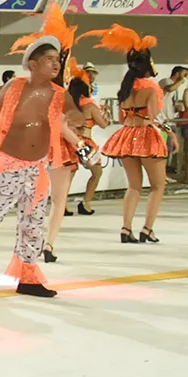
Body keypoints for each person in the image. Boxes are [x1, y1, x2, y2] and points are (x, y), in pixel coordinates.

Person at [0, 12, 86, 300]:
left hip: (37, 168)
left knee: (34, 223)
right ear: (34, 64)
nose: (56, 63)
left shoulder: (57, 93)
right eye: (50, 59)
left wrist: (79, 106)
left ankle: (27, 276)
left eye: (58, 59)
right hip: (7, 162)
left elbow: (74, 117)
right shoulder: (15, 87)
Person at [95, 27, 167, 244]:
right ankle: (147, 228)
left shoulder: (124, 91)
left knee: (133, 186)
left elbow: (121, 118)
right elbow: (155, 117)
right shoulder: (151, 90)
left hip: (126, 136)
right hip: (146, 135)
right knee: (158, 185)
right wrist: (168, 133)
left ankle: (126, 228)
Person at [44, 70, 110, 261]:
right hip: (64, 147)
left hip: (39, 147)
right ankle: (48, 243)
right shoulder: (74, 102)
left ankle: (38, 242)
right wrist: (80, 144)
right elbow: (64, 127)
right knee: (58, 200)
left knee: (39, 199)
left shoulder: (34, 95)